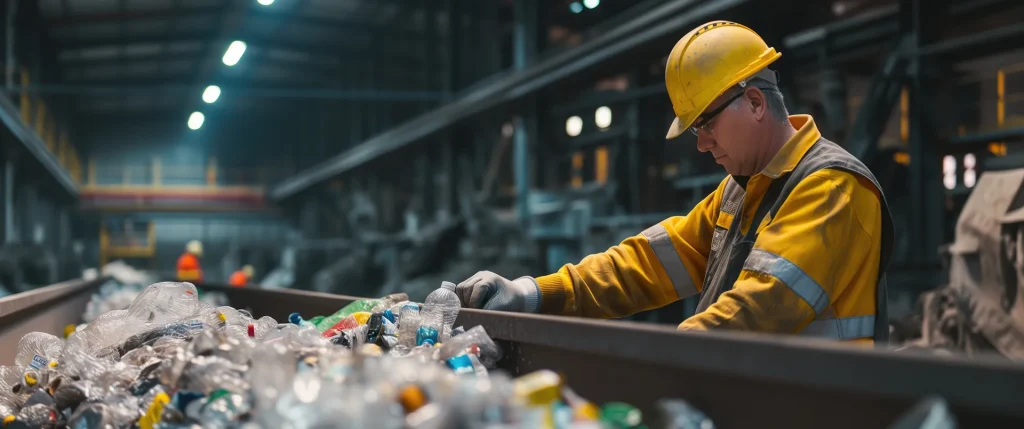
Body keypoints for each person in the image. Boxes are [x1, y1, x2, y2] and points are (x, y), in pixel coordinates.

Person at [455, 21, 894, 343]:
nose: (702, 144)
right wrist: (531, 293)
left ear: (756, 102)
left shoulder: (831, 186)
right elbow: (642, 265)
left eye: (705, 124)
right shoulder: (741, 191)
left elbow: (759, 310)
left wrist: (654, 361)